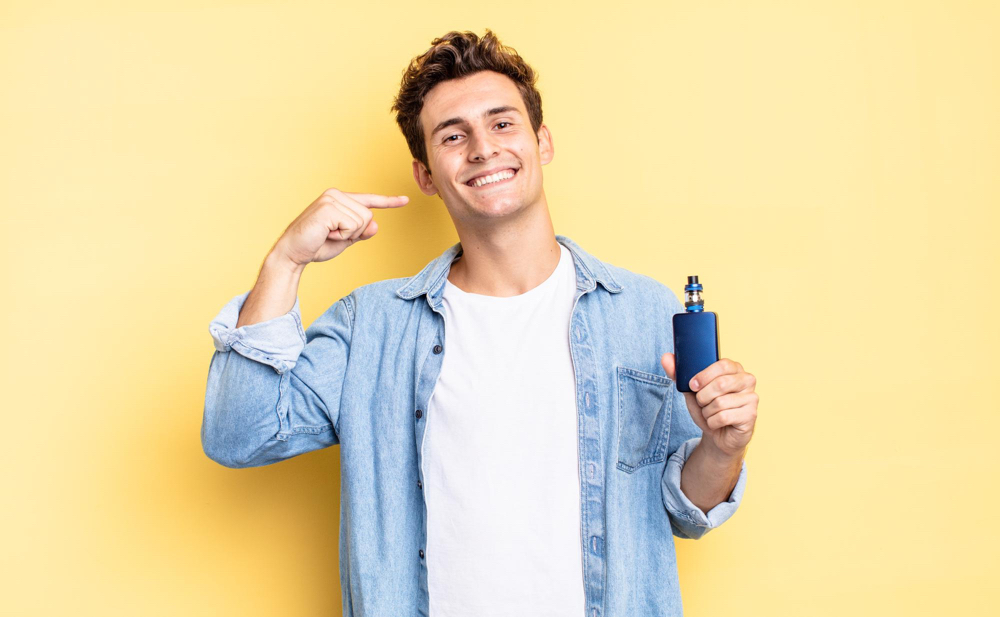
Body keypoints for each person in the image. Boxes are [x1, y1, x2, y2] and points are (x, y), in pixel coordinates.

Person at [203, 28, 758, 617]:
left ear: (541, 141)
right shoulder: (372, 326)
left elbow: (685, 513)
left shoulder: (641, 309)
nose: (483, 149)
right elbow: (240, 435)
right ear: (424, 175)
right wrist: (284, 262)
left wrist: (724, 449)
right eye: (452, 135)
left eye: (502, 123)